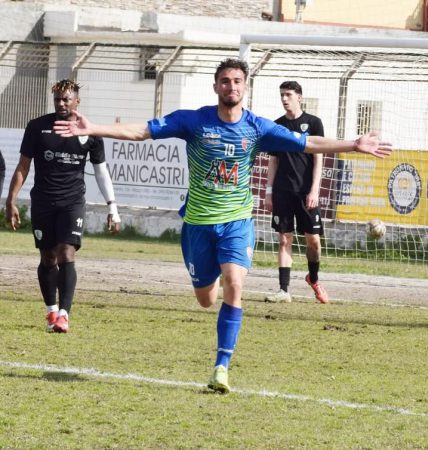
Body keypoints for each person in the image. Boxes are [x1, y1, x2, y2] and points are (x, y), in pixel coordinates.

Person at [53, 58, 392, 393]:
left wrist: (353, 144)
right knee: (206, 299)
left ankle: (221, 367)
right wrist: (93, 128)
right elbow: (142, 131)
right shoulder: (193, 121)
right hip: (198, 225)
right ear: (216, 86)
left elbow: (308, 144)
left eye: (237, 81)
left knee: (235, 283)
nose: (232, 86)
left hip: (236, 222)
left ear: (246, 87)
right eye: (226, 81)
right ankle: (210, 278)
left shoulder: (257, 127)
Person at [6, 79, 121, 334]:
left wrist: (112, 207)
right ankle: (51, 310)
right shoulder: (37, 127)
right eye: (57, 99)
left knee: (66, 253)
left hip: (72, 202)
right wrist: (11, 200)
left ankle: (64, 315)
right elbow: (23, 166)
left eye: (66, 99)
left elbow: (101, 172)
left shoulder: (89, 131)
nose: (61, 103)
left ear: (77, 101)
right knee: (48, 257)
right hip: (43, 202)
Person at [264, 81, 328, 304]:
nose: (284, 99)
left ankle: (313, 278)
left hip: (305, 192)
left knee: (313, 241)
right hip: (282, 191)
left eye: (288, 94)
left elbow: (318, 158)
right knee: (284, 239)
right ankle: (284, 290)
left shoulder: (314, 123)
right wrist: (269, 192)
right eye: (282, 95)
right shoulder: (277, 126)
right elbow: (273, 161)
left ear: (299, 97)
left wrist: (314, 190)